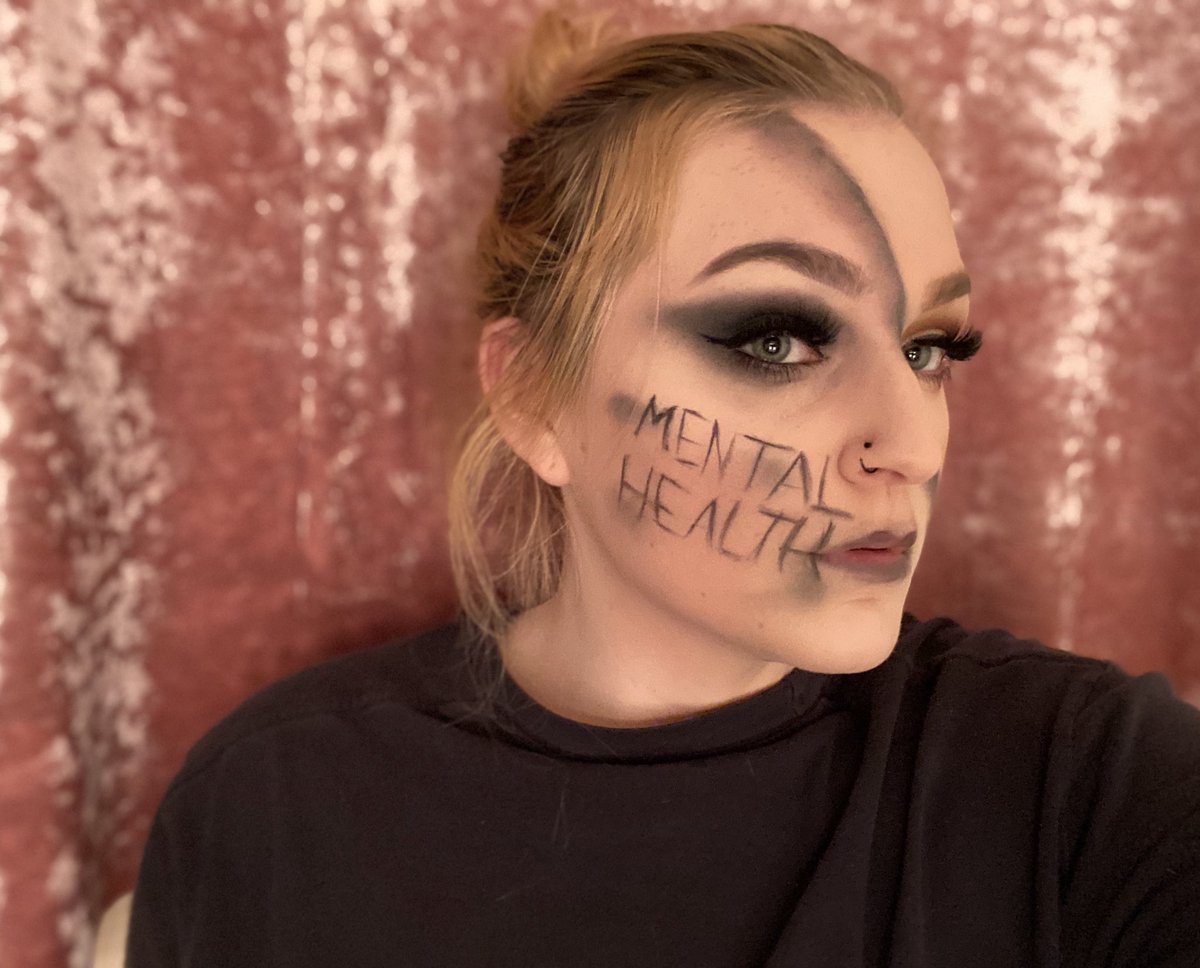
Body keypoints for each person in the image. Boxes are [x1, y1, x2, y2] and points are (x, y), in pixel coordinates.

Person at [126, 10, 1200, 967]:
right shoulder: (275, 809)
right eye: (777, 339)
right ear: (535, 394)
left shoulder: (1088, 786)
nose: (912, 443)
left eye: (927, 347)